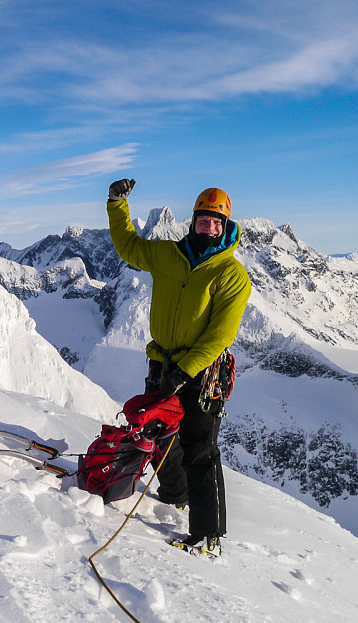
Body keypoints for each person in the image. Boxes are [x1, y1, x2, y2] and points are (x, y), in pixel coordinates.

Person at [106, 178, 251, 556]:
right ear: (193, 223)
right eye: (205, 221)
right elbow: (130, 248)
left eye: (217, 224)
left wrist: (183, 372)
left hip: (202, 374)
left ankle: (207, 534)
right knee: (159, 433)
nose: (210, 229)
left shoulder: (232, 275)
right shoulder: (169, 255)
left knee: (201, 450)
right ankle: (174, 496)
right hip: (162, 363)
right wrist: (117, 204)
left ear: (226, 227)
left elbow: (220, 335)